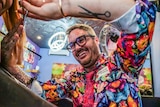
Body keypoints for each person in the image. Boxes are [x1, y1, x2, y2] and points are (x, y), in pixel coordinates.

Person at [19, 0, 157, 106]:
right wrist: (12, 67)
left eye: (81, 40)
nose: (77, 47)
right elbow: (41, 92)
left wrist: (64, 7)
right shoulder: (73, 79)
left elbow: (142, 18)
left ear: (96, 40)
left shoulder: (121, 64)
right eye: (72, 45)